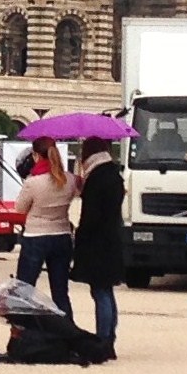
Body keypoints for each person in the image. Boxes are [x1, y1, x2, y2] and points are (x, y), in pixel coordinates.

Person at [71, 135, 125, 360]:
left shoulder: (97, 178)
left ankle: (103, 339)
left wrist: (80, 237)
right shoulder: (113, 174)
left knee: (100, 291)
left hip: (98, 242)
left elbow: (91, 216)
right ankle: (109, 337)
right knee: (107, 292)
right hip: (112, 238)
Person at [13, 136, 76, 319]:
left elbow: (20, 208)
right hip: (62, 234)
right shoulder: (69, 180)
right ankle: (68, 335)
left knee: (25, 289)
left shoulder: (33, 182)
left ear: (35, 155)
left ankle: (23, 334)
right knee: (60, 292)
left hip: (36, 236)